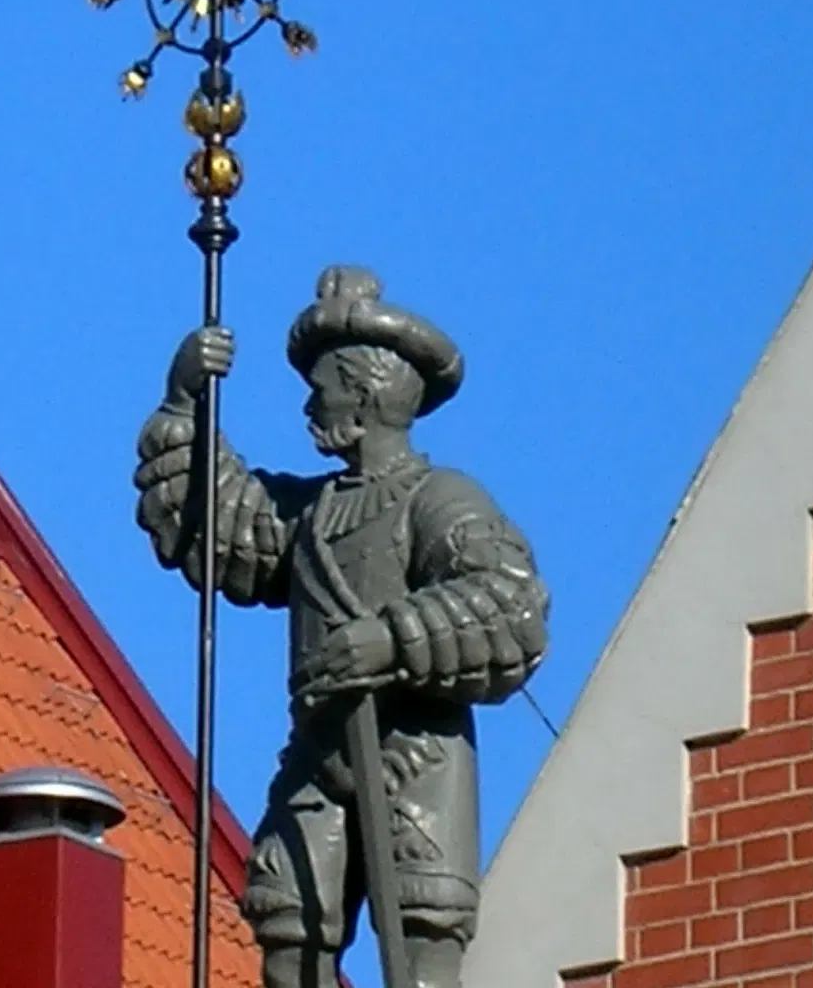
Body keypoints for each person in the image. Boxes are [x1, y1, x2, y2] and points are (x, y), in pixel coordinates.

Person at [135, 265, 549, 988]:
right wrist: (184, 402)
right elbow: (228, 522)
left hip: (413, 757)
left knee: (420, 944)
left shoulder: (439, 499)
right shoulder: (313, 512)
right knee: (291, 928)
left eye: (321, 382)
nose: (309, 400)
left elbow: (508, 602)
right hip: (324, 745)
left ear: (364, 390)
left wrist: (391, 639)